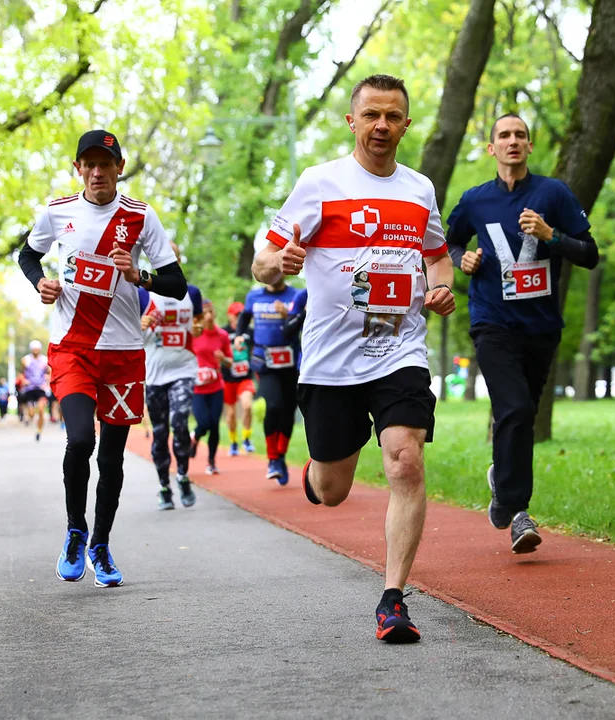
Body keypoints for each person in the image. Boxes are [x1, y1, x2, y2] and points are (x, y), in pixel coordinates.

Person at [252, 74, 456, 644]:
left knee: (405, 462)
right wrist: (279, 263)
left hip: (399, 349)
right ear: (352, 121)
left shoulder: (419, 190)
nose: (382, 126)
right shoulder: (319, 183)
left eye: (393, 116)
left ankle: (393, 600)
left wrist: (442, 288)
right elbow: (263, 260)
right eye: (371, 116)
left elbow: (438, 260)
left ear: (406, 125)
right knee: (333, 489)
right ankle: (317, 473)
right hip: (330, 360)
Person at [17, 129, 188, 586]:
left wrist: (140, 275)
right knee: (80, 441)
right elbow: (26, 257)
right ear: (78, 169)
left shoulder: (139, 216)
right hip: (72, 348)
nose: (97, 172)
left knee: (111, 458)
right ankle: (76, 530)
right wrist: (41, 284)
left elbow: (176, 282)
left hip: (124, 352)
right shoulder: (57, 213)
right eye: (88, 164)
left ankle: (102, 545)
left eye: (105, 164)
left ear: (119, 167)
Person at [444, 113, 598, 554]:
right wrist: (462, 260)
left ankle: (501, 477)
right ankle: (518, 512)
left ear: (529, 147)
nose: (513, 141)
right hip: (492, 323)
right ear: (491, 149)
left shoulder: (553, 193)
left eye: (520, 135)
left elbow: (589, 254)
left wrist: (551, 235)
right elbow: (448, 243)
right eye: (504, 136)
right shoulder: (475, 201)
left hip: (541, 328)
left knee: (522, 414)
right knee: (512, 408)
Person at [139, 251, 204, 511]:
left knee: (179, 423)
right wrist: (139, 324)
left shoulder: (192, 293)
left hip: (183, 369)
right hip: (154, 373)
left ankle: (183, 476)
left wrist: (198, 328)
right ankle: (164, 486)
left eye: (172, 257)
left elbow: (198, 323)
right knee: (159, 433)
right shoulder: (142, 293)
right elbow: (127, 329)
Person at [235, 280, 302, 485]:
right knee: (273, 407)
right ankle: (272, 459)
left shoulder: (296, 295)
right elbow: (244, 319)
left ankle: (281, 455)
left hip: (291, 362)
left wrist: (288, 316)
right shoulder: (254, 296)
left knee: (288, 410)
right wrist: (239, 336)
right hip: (264, 361)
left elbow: (305, 322)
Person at [189, 299, 232, 475]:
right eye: (204, 313)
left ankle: (211, 462)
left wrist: (223, 360)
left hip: (216, 386)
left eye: (210, 312)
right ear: (199, 316)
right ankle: (195, 436)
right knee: (204, 422)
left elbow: (230, 362)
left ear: (214, 313)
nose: (208, 316)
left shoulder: (222, 335)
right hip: (198, 388)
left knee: (214, 424)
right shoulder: (193, 334)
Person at [222, 302, 255, 457]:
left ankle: (246, 439)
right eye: (236, 315)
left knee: (247, 406)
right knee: (230, 415)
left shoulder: (250, 332)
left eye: (241, 315)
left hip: (245, 378)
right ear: (229, 316)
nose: (238, 318)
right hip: (228, 378)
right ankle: (233, 442)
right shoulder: (223, 332)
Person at [20, 340, 50, 441]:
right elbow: (20, 373)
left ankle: (39, 431)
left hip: (41, 388)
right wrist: (24, 380)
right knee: (32, 413)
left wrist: (48, 379)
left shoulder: (45, 360)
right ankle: (30, 417)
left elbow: (49, 372)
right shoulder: (26, 360)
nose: (36, 350)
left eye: (37, 348)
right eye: (34, 348)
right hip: (30, 389)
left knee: (41, 410)